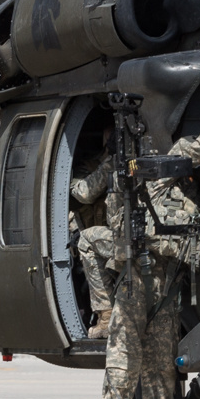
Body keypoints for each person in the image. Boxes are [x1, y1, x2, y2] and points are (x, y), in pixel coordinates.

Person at [87, 129, 200, 399]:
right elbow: (194, 146)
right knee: (124, 359)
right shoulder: (159, 180)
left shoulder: (199, 197)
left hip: (169, 286)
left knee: (161, 367)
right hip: (138, 281)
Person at [70, 130, 119, 339]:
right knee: (86, 241)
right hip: (100, 240)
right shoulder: (89, 166)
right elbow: (83, 193)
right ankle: (106, 317)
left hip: (120, 236)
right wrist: (112, 162)